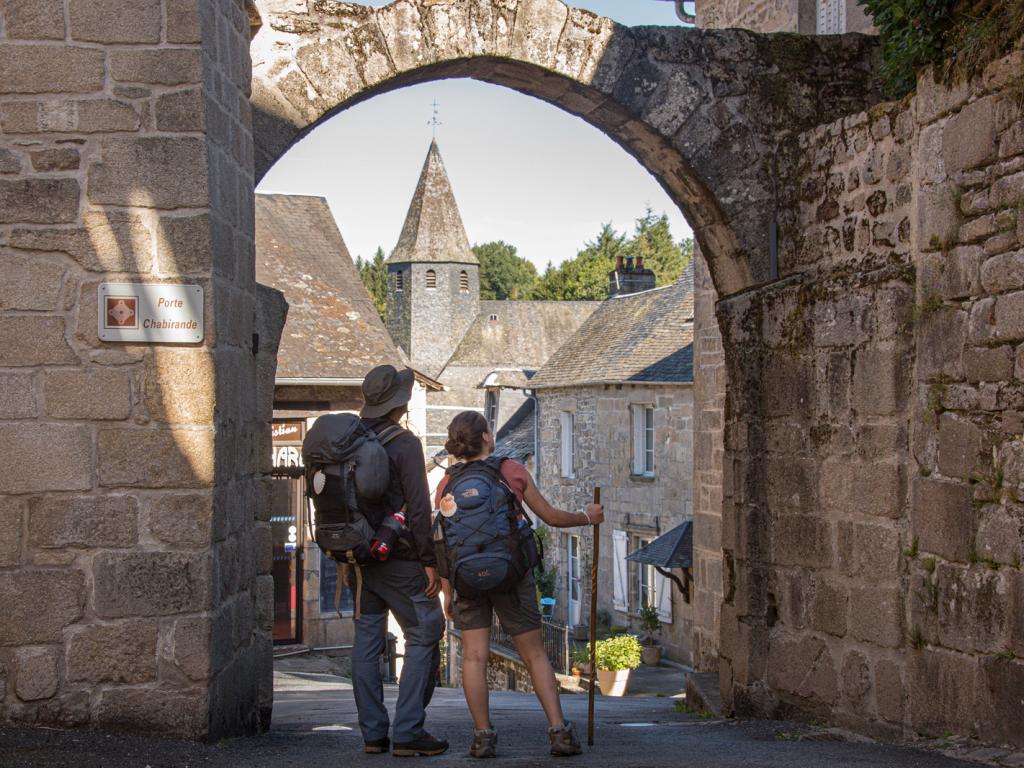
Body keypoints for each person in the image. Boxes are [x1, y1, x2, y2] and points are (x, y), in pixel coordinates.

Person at [435, 410, 604, 759]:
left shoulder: (445, 484)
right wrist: (588, 517)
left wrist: (448, 593)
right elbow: (551, 517)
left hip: (466, 580)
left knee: (475, 657)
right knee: (535, 654)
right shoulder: (510, 470)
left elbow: (444, 543)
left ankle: (483, 737)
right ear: (485, 439)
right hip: (511, 574)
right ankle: (559, 732)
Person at [350, 364, 448, 757]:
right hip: (401, 556)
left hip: (360, 557)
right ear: (401, 403)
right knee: (427, 628)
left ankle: (373, 734)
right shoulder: (404, 443)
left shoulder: (349, 439)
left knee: (367, 639)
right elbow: (420, 508)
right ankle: (408, 730)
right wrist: (430, 561)